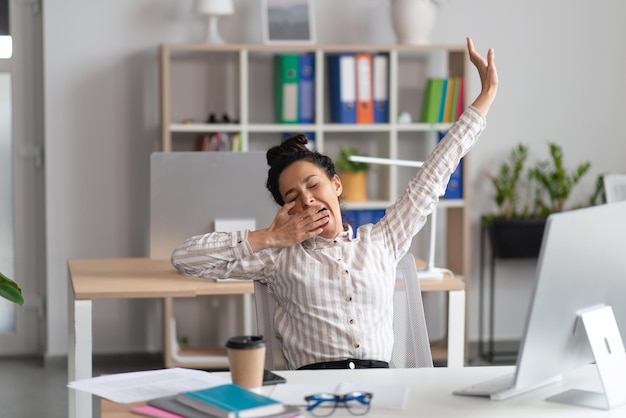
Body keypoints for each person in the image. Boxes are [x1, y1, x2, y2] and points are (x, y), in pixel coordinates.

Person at [171, 37, 498, 370]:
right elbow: (184, 258)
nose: (308, 199)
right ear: (286, 210)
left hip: (379, 390)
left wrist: (483, 100)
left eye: (313, 185)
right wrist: (270, 238)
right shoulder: (277, 258)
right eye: (293, 197)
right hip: (314, 389)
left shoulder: (383, 240)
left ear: (336, 185)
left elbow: (433, 176)